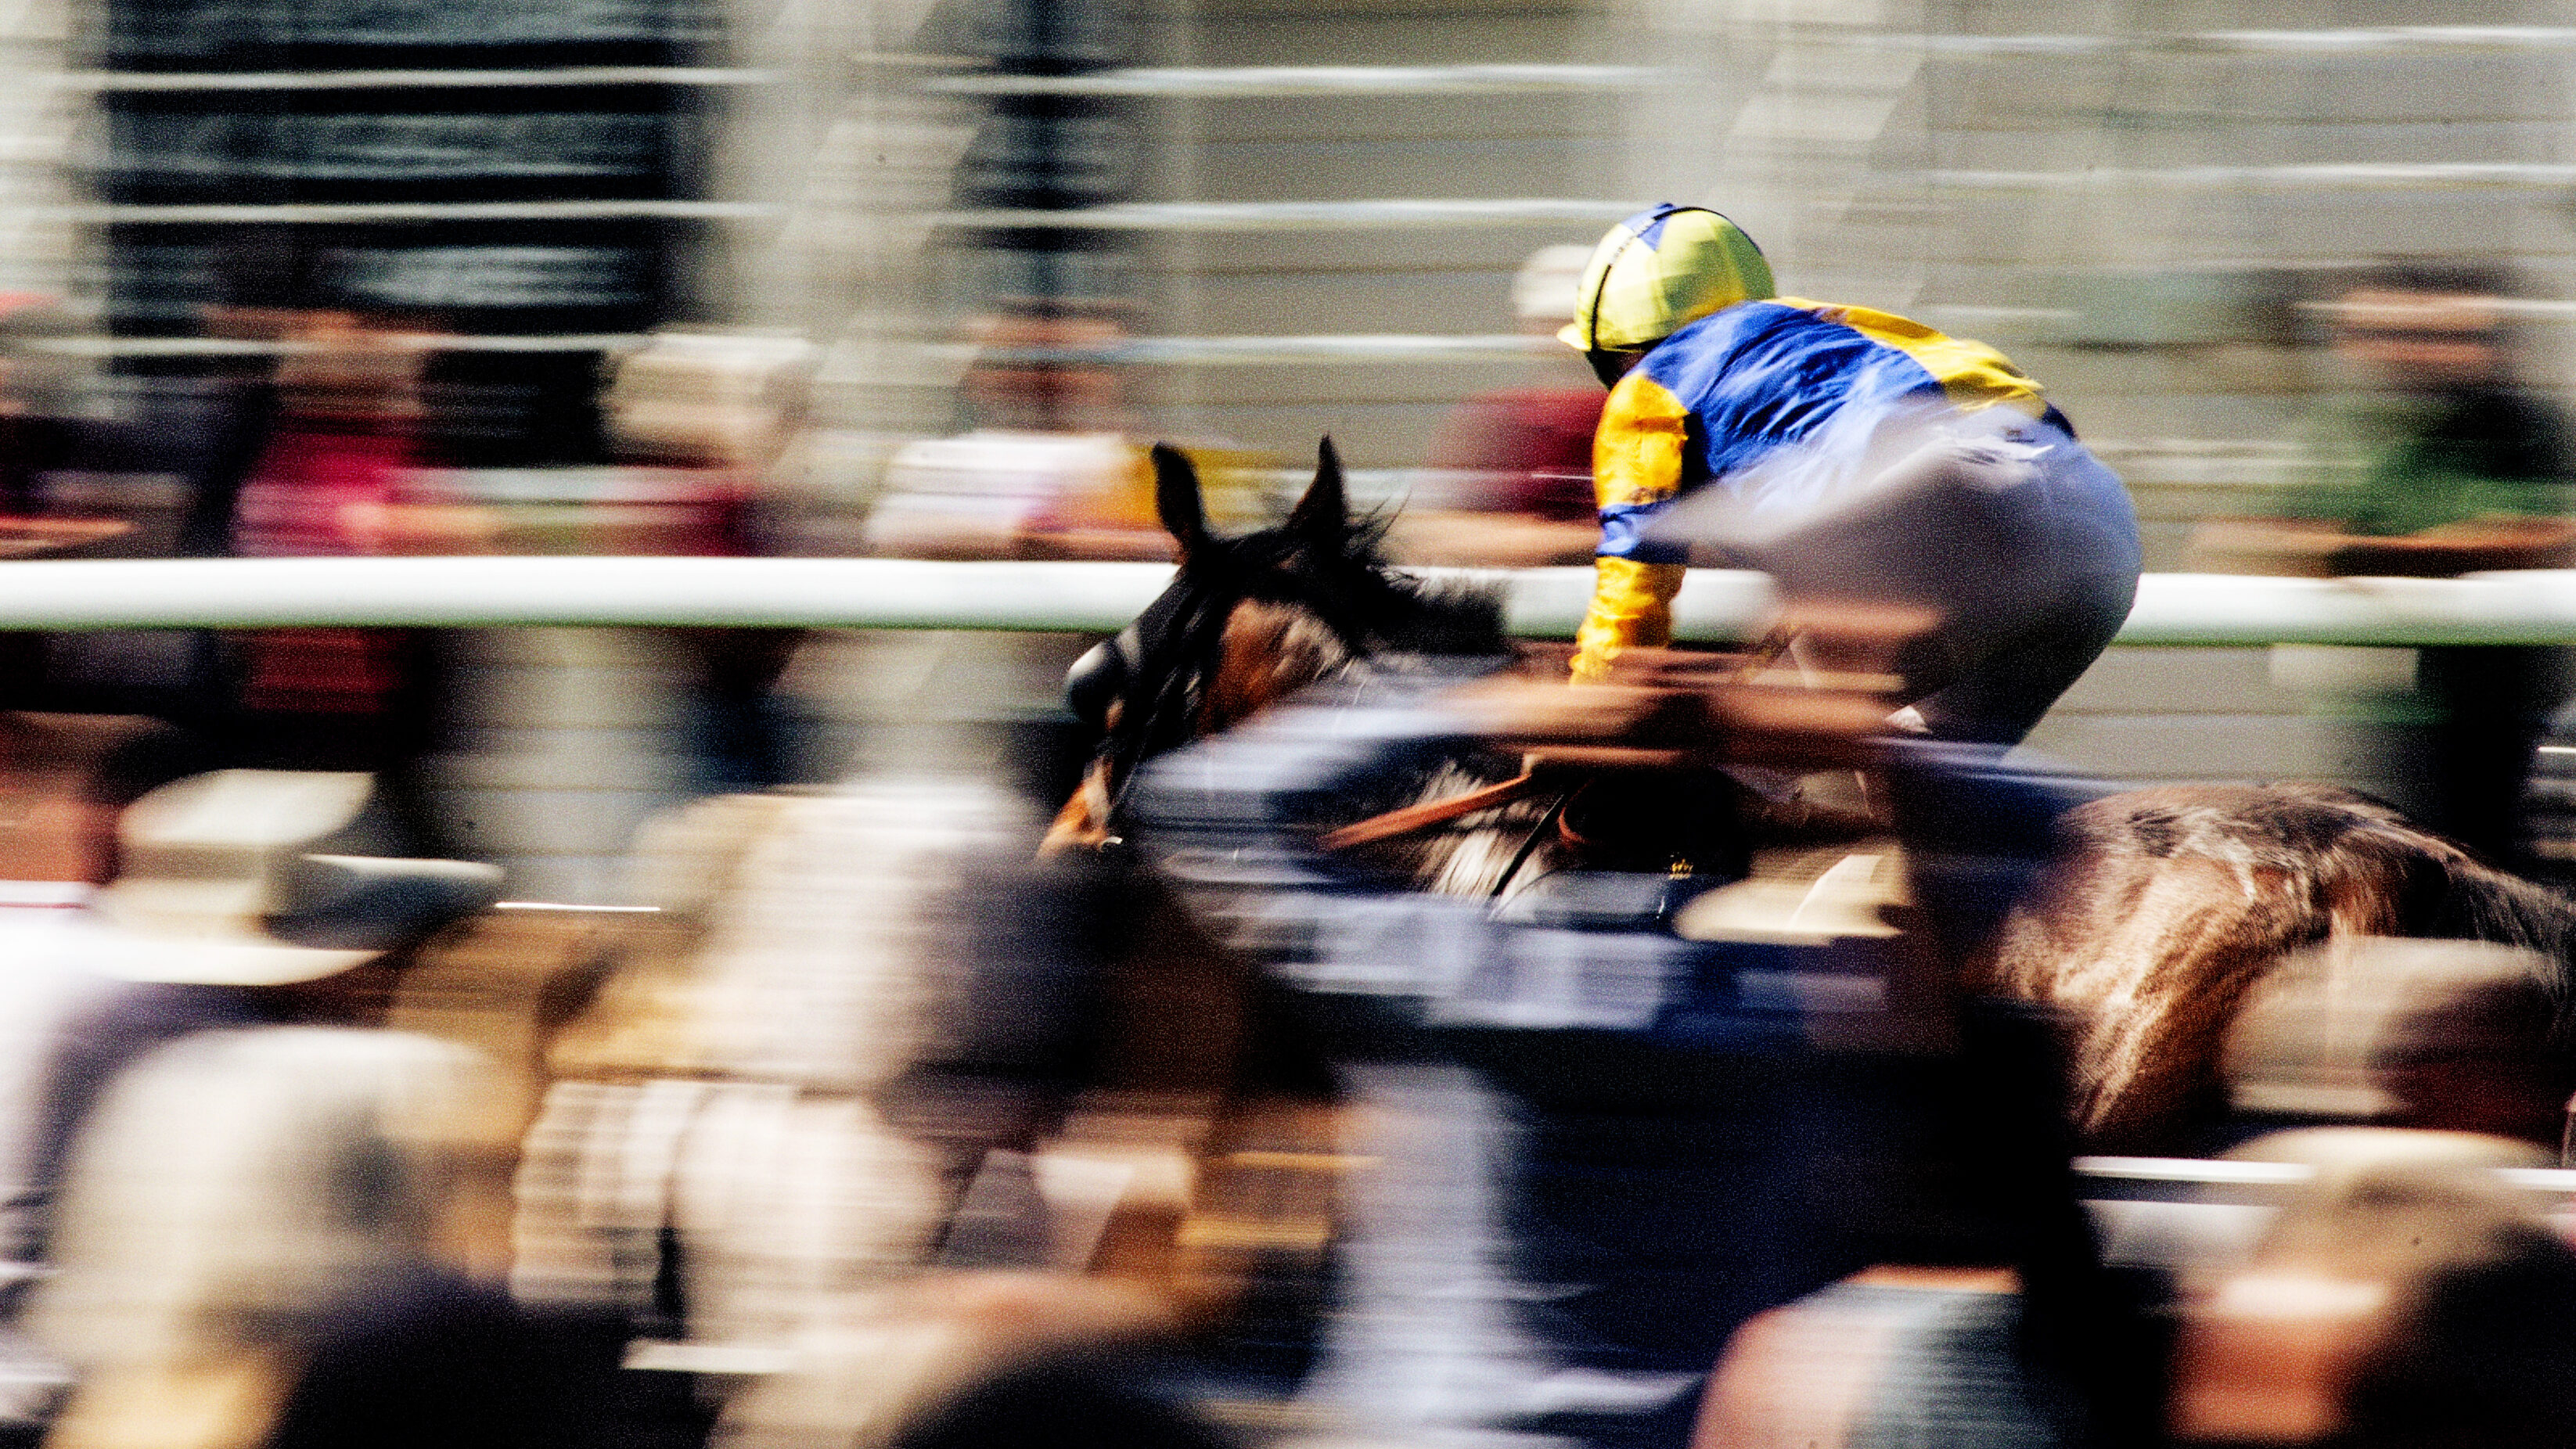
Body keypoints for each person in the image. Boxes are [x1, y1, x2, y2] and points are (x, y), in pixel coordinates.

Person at [1557, 205, 2142, 747]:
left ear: (1618, 353)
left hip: (1946, 510)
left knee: (1757, 754)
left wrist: (1585, 717)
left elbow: (1633, 580)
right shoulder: (1833, 323)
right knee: (1930, 790)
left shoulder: (1648, 388)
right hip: (2096, 519)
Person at [2196, 262, 2576, 866]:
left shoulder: (2528, 430)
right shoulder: (2345, 429)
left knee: (2494, 868)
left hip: (2509, 713)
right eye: (2385, 334)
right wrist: (2374, 555)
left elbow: (2550, 537)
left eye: (2442, 336)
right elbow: (2237, 541)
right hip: (2381, 715)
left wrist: (2365, 555)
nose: (2410, 353)